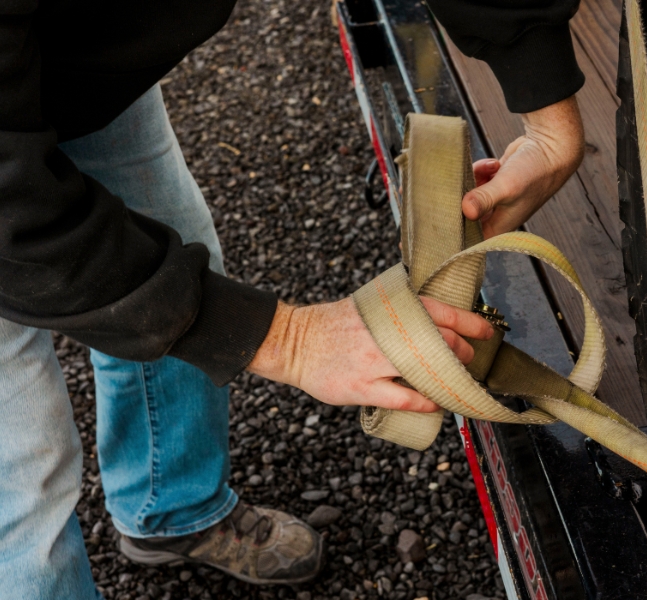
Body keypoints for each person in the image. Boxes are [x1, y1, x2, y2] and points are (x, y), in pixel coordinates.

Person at [0, 0, 586, 597]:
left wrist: (546, 111)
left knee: (175, 244)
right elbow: (12, 222)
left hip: (70, 50)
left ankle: (172, 508)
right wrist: (290, 340)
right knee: (23, 472)